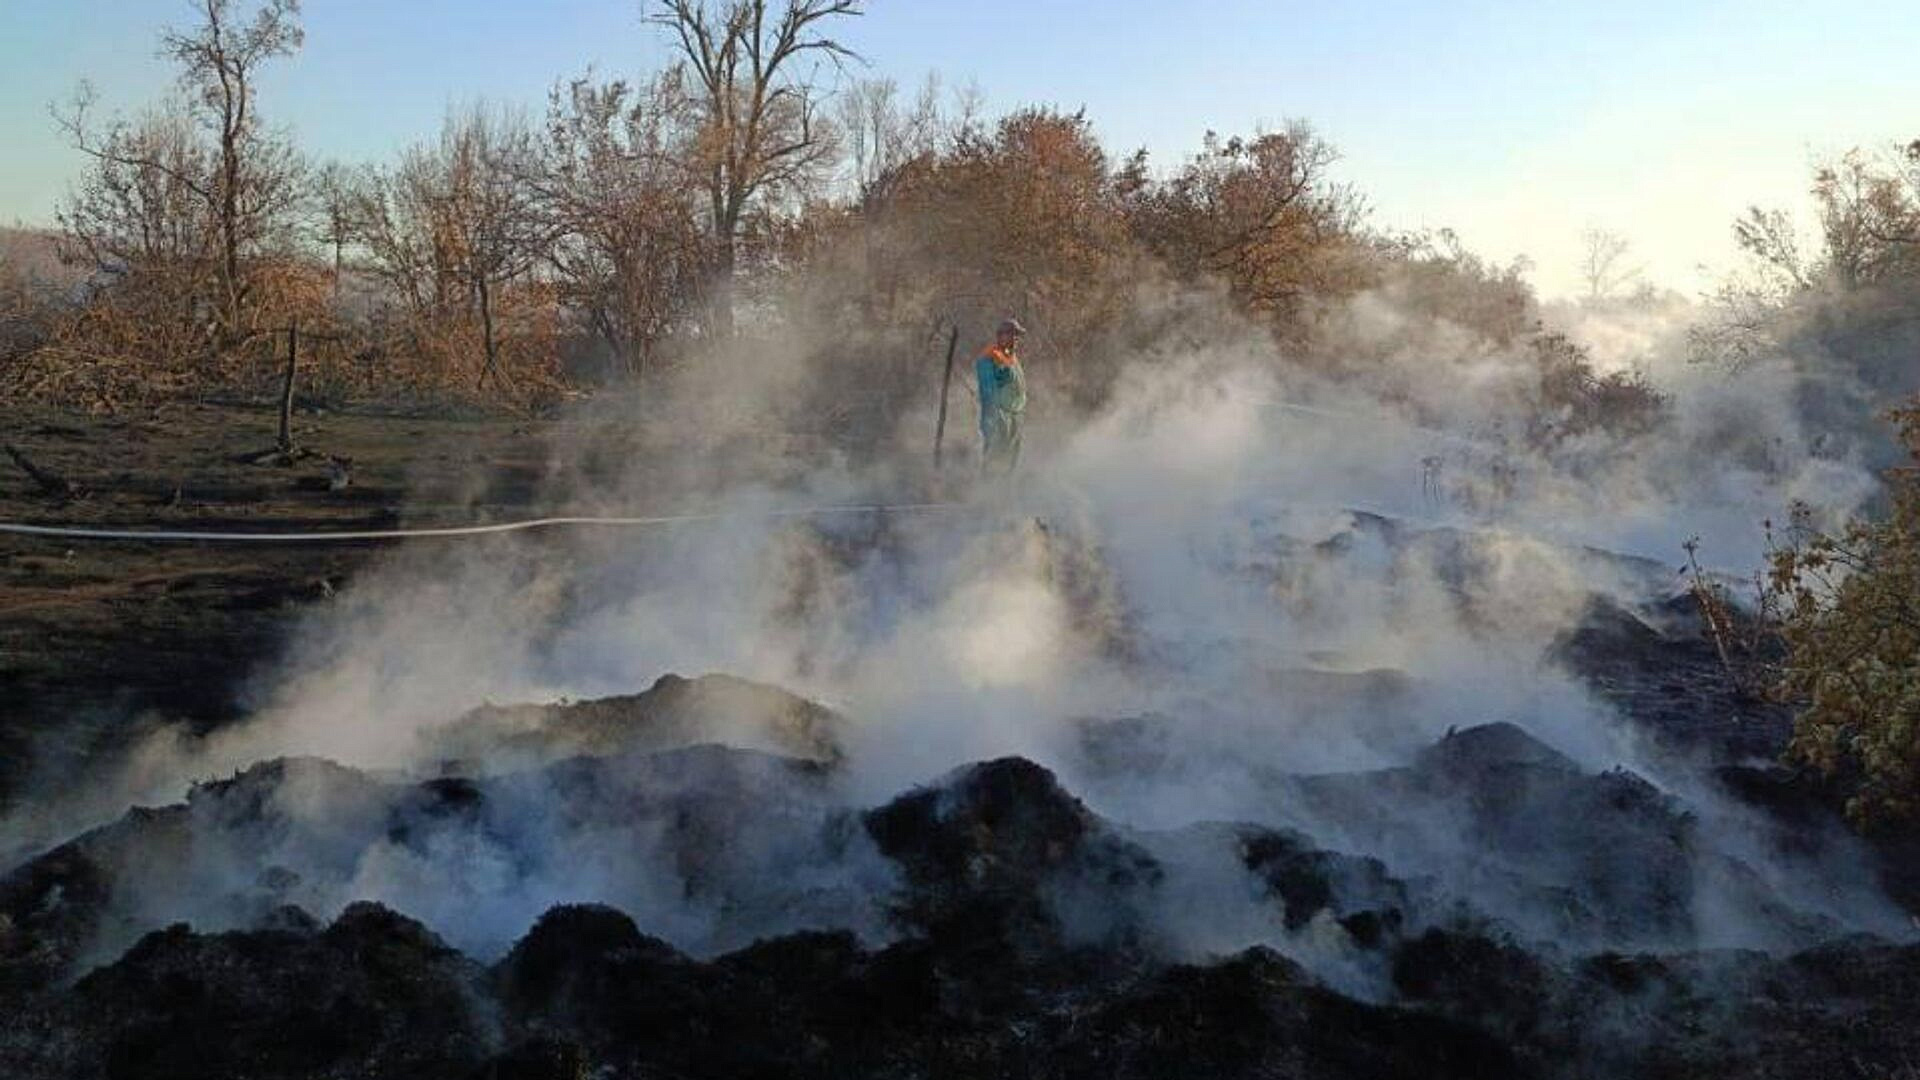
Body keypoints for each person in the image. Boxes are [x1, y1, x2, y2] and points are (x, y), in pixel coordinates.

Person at [976, 317, 1028, 475]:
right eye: (1013, 334)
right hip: (999, 417)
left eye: (1017, 335)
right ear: (1001, 335)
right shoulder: (989, 357)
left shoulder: (1010, 356)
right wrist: (995, 419)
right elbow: (988, 391)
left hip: (1014, 416)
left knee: (1010, 460)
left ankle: (1004, 490)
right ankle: (987, 489)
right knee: (995, 458)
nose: (1016, 339)